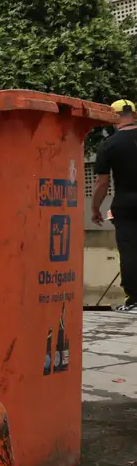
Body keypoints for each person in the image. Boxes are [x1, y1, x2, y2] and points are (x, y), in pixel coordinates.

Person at [92, 99, 137, 313]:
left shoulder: (110, 144)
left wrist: (95, 208)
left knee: (129, 250)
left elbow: (102, 182)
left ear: (113, 117)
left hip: (126, 204)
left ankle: (134, 300)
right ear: (134, 115)